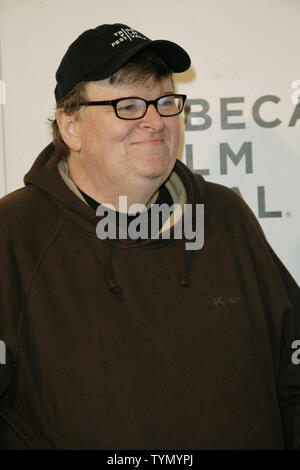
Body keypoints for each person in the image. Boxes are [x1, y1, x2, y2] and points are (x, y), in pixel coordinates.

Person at [0, 22, 299, 451]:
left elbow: (293, 378)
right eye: (129, 105)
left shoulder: (223, 216)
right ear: (71, 126)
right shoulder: (14, 235)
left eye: (164, 101)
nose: (156, 121)